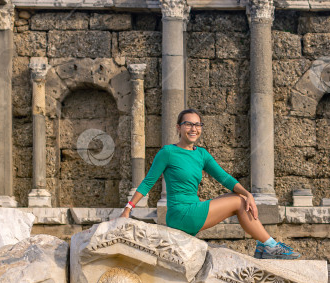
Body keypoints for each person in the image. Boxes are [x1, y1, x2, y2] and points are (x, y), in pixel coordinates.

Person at [121, 109, 300, 260]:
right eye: (188, 124)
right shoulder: (168, 152)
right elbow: (147, 182)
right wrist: (128, 209)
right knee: (239, 202)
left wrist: (248, 194)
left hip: (194, 208)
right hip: (180, 214)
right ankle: (270, 246)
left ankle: (264, 246)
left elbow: (224, 178)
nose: (194, 128)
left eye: (198, 125)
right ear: (178, 127)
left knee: (240, 198)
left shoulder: (202, 154)